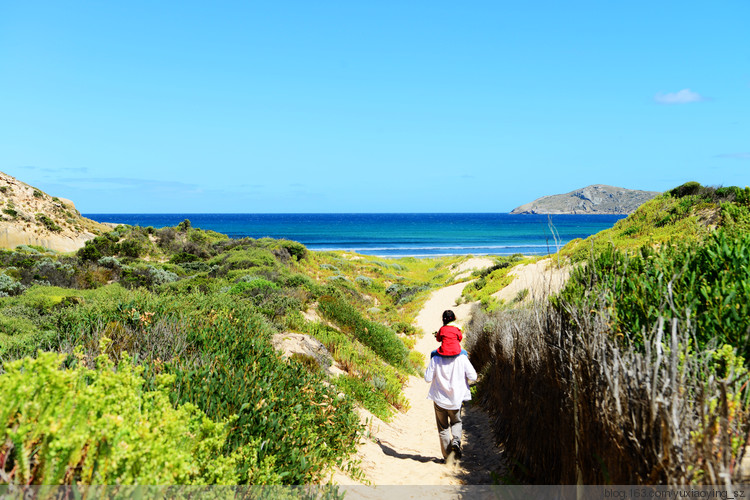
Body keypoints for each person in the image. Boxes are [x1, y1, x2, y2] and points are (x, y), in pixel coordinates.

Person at [424, 343, 477, 463]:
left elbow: (427, 378)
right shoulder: (462, 357)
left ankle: (448, 458)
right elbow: (473, 376)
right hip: (456, 399)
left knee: (443, 429)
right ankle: (456, 441)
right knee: (456, 422)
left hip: (439, 400)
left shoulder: (436, 358)